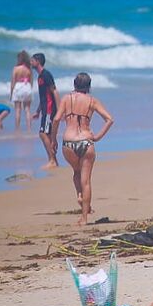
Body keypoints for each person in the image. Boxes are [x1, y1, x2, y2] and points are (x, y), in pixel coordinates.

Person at [52, 72, 115, 226]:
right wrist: (98, 137)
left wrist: (53, 139)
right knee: (85, 181)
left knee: (76, 173)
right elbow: (109, 119)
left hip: (68, 143)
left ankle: (80, 196)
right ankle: (84, 218)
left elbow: (56, 119)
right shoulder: (92, 101)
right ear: (89, 86)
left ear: (74, 84)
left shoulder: (67, 99)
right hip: (86, 142)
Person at [31, 53, 60, 169]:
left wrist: (59, 111)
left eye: (32, 60)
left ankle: (52, 160)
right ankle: (54, 160)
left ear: (38, 61)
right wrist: (38, 111)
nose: (30, 63)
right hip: (44, 109)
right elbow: (43, 96)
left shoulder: (46, 75)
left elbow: (55, 91)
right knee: (46, 134)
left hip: (49, 109)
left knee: (43, 134)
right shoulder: (40, 77)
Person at [9, 50, 34, 129]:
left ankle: (17, 128)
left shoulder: (16, 69)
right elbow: (31, 81)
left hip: (18, 87)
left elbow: (13, 82)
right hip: (27, 86)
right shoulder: (29, 69)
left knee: (18, 110)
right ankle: (29, 128)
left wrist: (11, 93)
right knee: (27, 109)